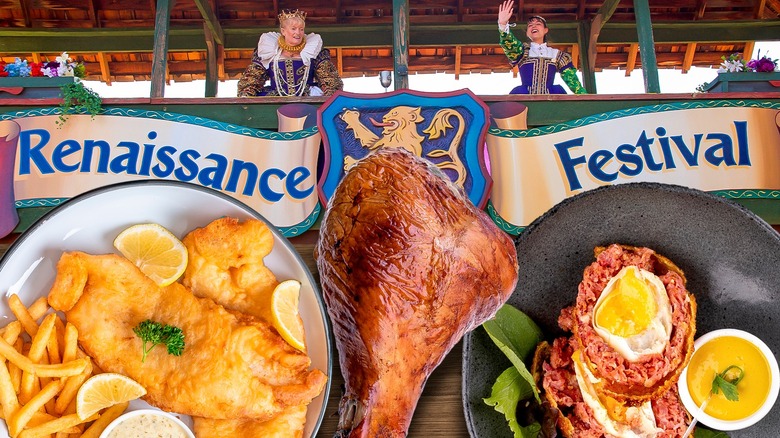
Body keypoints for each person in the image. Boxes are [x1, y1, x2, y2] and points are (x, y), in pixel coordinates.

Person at [237, 9, 343, 97]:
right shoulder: (268, 50)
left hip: (307, 100)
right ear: (283, 31)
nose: (298, 33)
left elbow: (329, 80)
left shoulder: (314, 51)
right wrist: (246, 98)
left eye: (301, 29)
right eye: (293, 29)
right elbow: (252, 78)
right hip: (276, 101)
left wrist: (331, 98)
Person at [497, 0, 586, 94]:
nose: (533, 26)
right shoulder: (522, 51)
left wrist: (585, 97)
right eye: (530, 25)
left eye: (538, 24)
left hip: (551, 98)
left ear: (545, 30)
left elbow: (572, 80)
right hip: (524, 96)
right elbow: (509, 44)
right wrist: (503, 24)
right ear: (527, 33)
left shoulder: (557, 55)